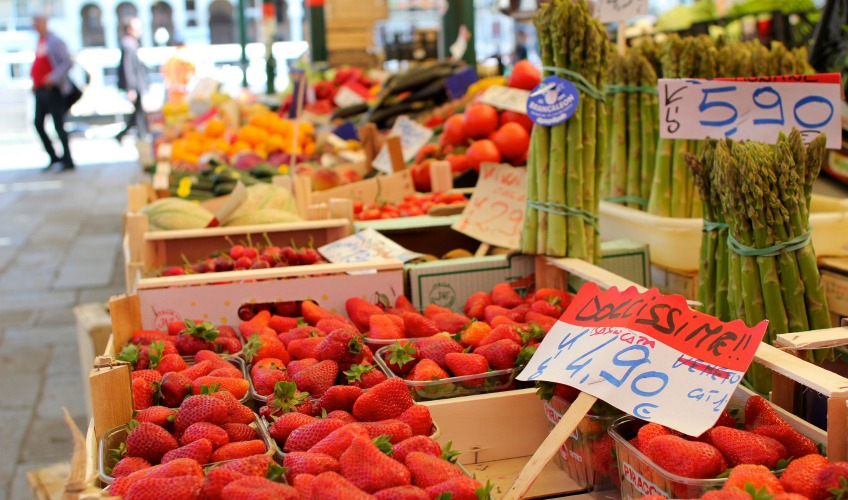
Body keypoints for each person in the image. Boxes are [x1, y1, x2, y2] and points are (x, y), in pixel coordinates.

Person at [31, 13, 75, 171]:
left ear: (44, 22)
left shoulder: (54, 41)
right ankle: (54, 156)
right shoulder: (39, 41)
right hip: (39, 89)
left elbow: (67, 62)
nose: (35, 25)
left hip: (52, 89)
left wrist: (53, 78)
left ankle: (68, 159)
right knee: (38, 123)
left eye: (37, 22)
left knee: (58, 124)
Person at [116, 17, 148, 143]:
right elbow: (127, 67)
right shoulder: (128, 44)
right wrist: (131, 88)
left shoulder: (131, 43)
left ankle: (127, 135)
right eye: (137, 27)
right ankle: (141, 137)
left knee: (138, 112)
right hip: (134, 85)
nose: (140, 30)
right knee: (138, 113)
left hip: (136, 84)